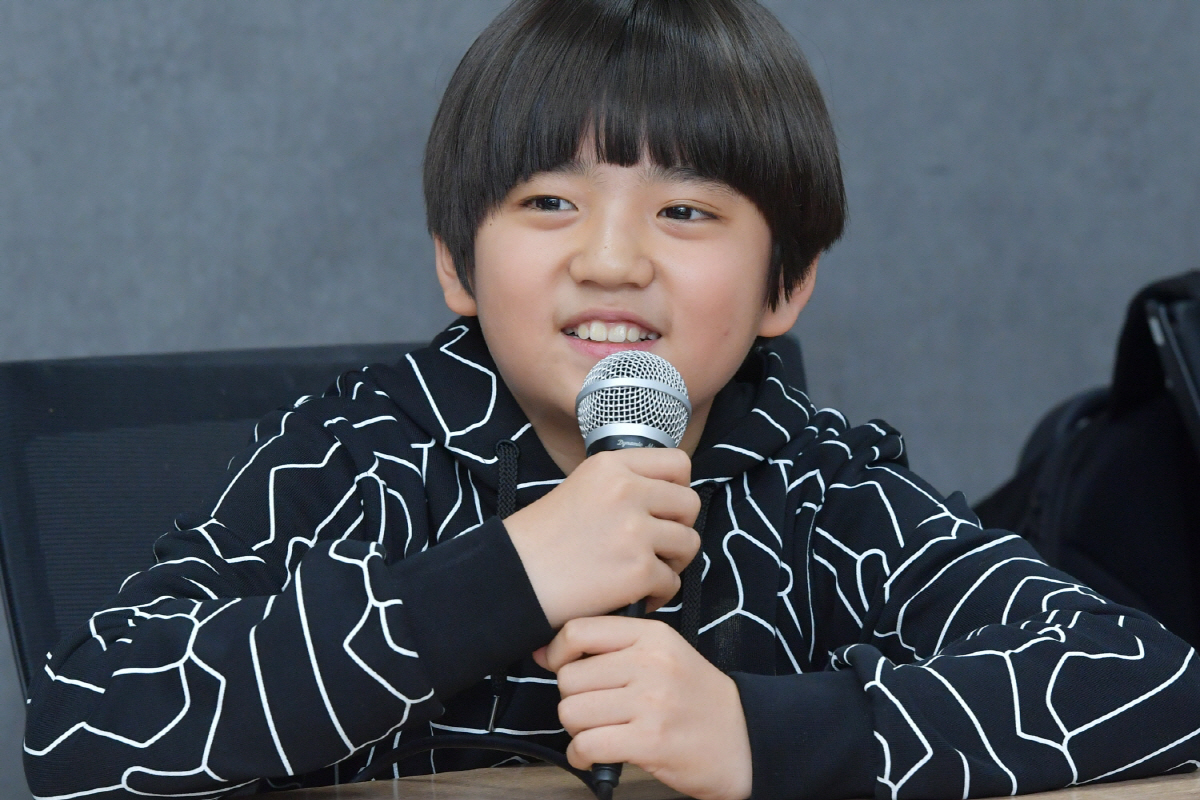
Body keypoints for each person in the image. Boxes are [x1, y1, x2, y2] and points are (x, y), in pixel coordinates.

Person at [23, 1, 1200, 798]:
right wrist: (505, 574)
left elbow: (1151, 678)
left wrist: (762, 734)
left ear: (785, 283)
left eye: (685, 211)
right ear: (456, 263)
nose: (613, 258)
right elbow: (84, 726)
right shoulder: (366, 452)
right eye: (550, 202)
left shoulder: (815, 482)